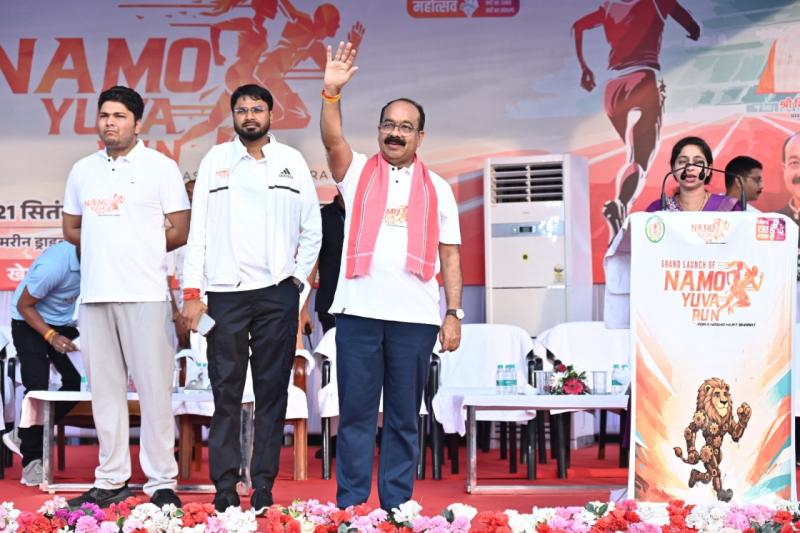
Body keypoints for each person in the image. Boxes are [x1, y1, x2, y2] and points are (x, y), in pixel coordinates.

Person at [320, 42, 463, 510]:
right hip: (359, 313)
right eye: (388, 125)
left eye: (405, 127)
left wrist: (454, 313)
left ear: (420, 136)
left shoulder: (438, 188)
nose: (395, 133)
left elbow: (450, 254)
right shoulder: (357, 171)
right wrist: (331, 94)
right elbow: (332, 141)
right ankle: (351, 507)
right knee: (356, 416)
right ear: (379, 130)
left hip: (415, 319)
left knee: (404, 418)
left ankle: (397, 507)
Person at [181, 83, 321, 514]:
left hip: (277, 294)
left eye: (257, 109)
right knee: (225, 392)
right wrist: (192, 292)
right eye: (241, 110)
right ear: (234, 117)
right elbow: (198, 233)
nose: (249, 116)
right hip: (225, 294)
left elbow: (312, 230)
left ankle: (262, 486)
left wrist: (296, 285)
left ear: (271, 115)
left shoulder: (291, 162)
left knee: (271, 393)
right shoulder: (215, 161)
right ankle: (224, 486)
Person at [62, 86, 190, 508]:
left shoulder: (161, 167)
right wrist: (107, 244)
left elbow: (180, 229)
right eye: (104, 115)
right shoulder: (82, 170)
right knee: (105, 393)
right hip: (95, 295)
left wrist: (138, 247)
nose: (110, 123)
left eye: (119, 116)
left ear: (137, 123)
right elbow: (71, 228)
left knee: (154, 393)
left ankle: (161, 481)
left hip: (145, 294)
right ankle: (111, 478)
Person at [573, 0, 700, 242]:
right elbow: (692, 26)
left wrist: (584, 68)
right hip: (643, 78)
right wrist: (692, 32)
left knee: (632, 154)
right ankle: (621, 204)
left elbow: (577, 27)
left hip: (613, 89)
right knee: (638, 160)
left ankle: (621, 208)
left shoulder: (609, 6)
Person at [5, 241, 81, 486]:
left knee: (74, 384)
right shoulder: (54, 264)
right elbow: (23, 305)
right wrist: (51, 336)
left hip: (62, 323)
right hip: (28, 321)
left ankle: (25, 434)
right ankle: (32, 462)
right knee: (38, 388)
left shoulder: (100, 261)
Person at [645, 136, 741, 212]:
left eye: (698, 162)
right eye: (683, 162)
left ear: (709, 169)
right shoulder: (659, 209)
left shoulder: (729, 208)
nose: (690, 168)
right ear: (673, 169)